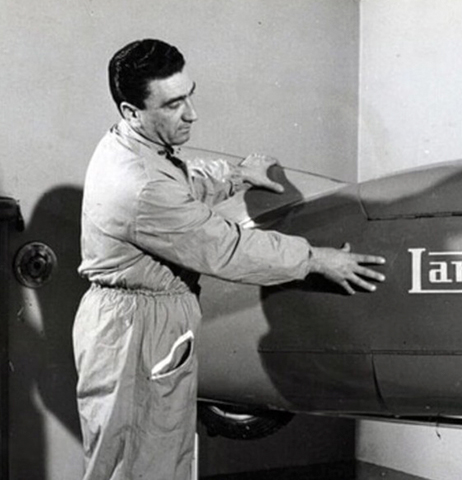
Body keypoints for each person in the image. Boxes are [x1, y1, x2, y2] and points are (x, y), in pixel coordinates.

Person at [72, 38, 386, 480]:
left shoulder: (126, 144)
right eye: (174, 104)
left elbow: (179, 181)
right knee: (141, 465)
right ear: (131, 111)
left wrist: (237, 175)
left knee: (149, 457)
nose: (192, 113)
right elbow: (226, 247)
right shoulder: (139, 184)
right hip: (137, 332)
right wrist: (315, 259)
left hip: (133, 325)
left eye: (189, 95)